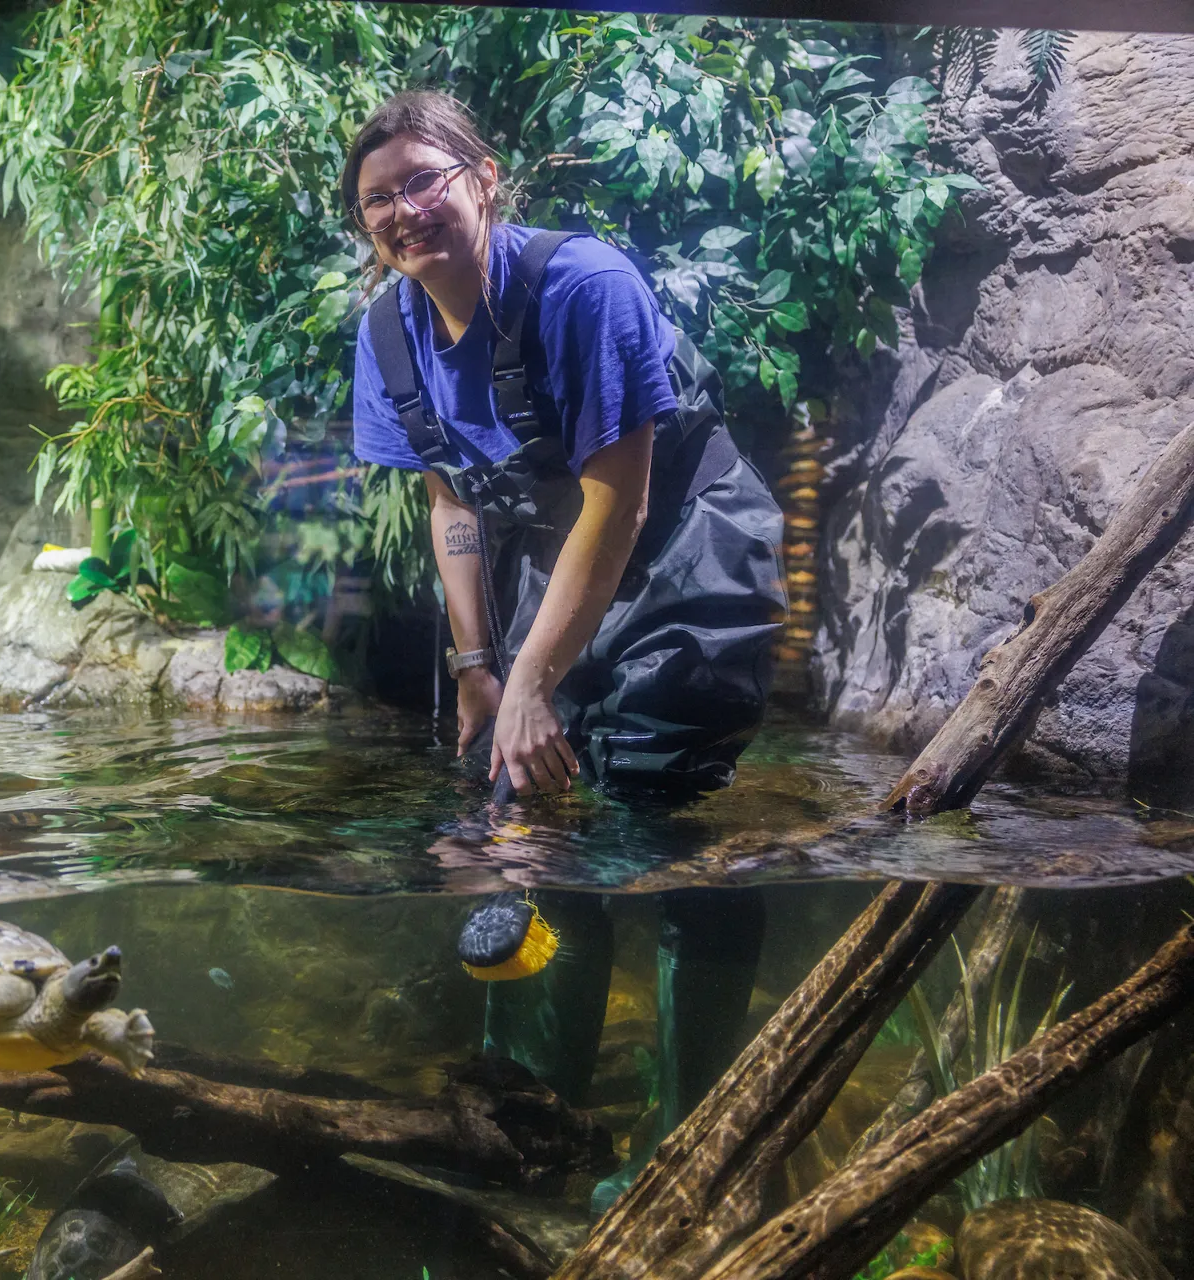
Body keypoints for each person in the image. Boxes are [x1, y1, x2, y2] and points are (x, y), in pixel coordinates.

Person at [341, 89, 786, 1211]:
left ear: (484, 179)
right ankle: (531, 1121)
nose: (403, 209)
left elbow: (620, 495)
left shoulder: (580, 284)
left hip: (684, 558)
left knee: (658, 814)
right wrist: (479, 668)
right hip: (558, 568)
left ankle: (699, 1152)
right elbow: (449, 496)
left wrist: (536, 677)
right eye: (378, 197)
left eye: (423, 180)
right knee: (522, 813)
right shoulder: (387, 330)